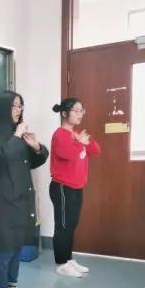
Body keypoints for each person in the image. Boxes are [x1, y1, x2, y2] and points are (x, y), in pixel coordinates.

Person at [0, 91, 49, 288]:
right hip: (1, 201)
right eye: (14, 106)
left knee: (17, 245)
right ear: (3, 108)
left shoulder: (17, 134)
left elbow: (34, 160)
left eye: (20, 106)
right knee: (4, 247)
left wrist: (36, 146)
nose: (18, 110)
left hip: (20, 197)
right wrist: (16, 136)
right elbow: (2, 155)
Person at [49, 97, 100, 278]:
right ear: (64, 113)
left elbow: (95, 150)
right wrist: (79, 142)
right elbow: (67, 154)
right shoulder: (60, 134)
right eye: (76, 111)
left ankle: (68, 260)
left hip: (77, 187)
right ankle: (61, 263)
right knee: (63, 226)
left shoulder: (77, 134)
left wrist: (85, 142)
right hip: (63, 187)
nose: (80, 114)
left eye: (81, 111)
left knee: (71, 224)